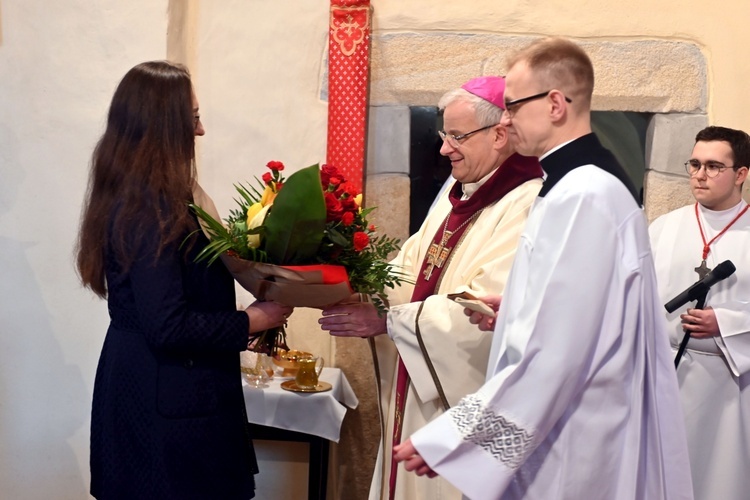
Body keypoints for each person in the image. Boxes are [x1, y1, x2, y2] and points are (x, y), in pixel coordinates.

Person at [394, 37, 693, 500]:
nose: (506, 118)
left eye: (513, 105)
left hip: (575, 433)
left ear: (555, 103)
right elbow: (588, 312)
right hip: (572, 418)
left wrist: (456, 436)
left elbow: (560, 350)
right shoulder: (576, 183)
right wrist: (512, 308)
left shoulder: (584, 194)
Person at [319, 76, 544, 499]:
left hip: (458, 404)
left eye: (457, 136)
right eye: (444, 134)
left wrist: (387, 323)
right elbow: (410, 266)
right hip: (420, 385)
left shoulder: (528, 201)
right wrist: (350, 287)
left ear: (500, 134)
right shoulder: (458, 190)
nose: (444, 148)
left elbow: (483, 309)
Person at [75, 61, 292, 499]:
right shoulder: (148, 207)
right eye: (192, 118)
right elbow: (167, 325)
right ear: (164, 125)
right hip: (164, 404)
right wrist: (252, 320)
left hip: (168, 388)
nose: (201, 131)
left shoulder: (158, 193)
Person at [649, 126, 750, 500]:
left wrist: (724, 322)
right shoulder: (664, 228)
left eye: (713, 166)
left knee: (718, 482)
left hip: (729, 384)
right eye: (694, 164)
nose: (700, 175)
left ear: (741, 173)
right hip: (664, 377)